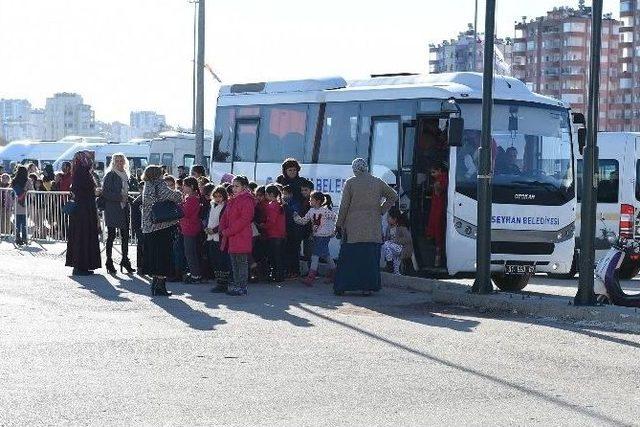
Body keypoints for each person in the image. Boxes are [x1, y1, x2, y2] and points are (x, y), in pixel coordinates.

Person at [334, 158, 397, 295]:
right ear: (366, 167)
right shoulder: (377, 182)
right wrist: (381, 210)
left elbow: (344, 206)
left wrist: (339, 224)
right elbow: (393, 196)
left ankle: (344, 286)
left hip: (353, 228)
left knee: (350, 258)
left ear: (354, 169)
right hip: (372, 228)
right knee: (369, 259)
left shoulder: (350, 183)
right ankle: (367, 288)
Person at [141, 165, 183, 296]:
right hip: (162, 226)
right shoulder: (160, 185)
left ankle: (154, 284)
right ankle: (160, 287)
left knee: (154, 256)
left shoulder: (147, 186)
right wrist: (178, 193)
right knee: (164, 256)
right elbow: (176, 197)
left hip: (149, 227)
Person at [65, 151, 101, 275]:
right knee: (83, 236)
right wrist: (94, 192)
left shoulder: (80, 171)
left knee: (83, 236)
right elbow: (82, 190)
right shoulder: (82, 172)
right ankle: (80, 266)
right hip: (83, 210)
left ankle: (82, 266)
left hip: (83, 209)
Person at [219, 175, 255, 296]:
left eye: (237, 186)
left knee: (241, 263)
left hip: (241, 236)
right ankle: (237, 285)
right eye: (233, 186)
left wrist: (228, 231)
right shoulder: (233, 199)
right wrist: (222, 228)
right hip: (232, 236)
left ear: (244, 187)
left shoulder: (247, 200)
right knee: (234, 263)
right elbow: (225, 215)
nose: (234, 188)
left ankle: (242, 287)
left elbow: (245, 219)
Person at [101, 154, 135, 275]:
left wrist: (130, 199)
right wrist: (121, 198)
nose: (120, 163)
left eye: (121, 161)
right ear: (113, 162)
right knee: (111, 235)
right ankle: (109, 261)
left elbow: (125, 192)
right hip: (113, 208)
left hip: (123, 208)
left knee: (125, 235)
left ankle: (125, 260)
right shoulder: (110, 175)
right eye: (117, 161)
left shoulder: (125, 175)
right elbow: (106, 193)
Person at [294, 191, 337, 285]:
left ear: (317, 201)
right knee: (326, 255)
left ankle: (311, 277)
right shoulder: (311, 211)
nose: (310, 201)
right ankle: (335, 274)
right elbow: (304, 221)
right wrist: (296, 217)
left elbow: (335, 219)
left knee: (315, 256)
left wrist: (333, 231)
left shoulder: (325, 211)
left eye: (311, 199)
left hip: (324, 236)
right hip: (317, 236)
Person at [205, 186, 231, 292]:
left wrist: (215, 230)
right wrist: (206, 227)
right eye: (215, 196)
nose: (217, 199)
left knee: (222, 260)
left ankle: (223, 283)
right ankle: (218, 281)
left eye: (220, 196)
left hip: (220, 237)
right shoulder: (211, 205)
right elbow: (208, 218)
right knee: (214, 260)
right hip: (210, 236)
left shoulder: (225, 207)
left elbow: (224, 222)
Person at [425, 162, 448, 267]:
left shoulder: (442, 179)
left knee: (438, 232)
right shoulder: (440, 179)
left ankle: (437, 260)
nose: (432, 175)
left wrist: (435, 186)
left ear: (439, 170)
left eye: (434, 172)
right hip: (437, 208)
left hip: (439, 209)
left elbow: (438, 192)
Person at [261, 184, 286, 282]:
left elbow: (271, 221)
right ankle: (280, 275)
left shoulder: (272, 206)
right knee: (279, 257)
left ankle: (277, 275)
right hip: (281, 234)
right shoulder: (280, 205)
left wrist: (263, 225)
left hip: (274, 235)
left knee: (274, 257)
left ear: (270, 194)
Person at [180, 176, 203, 283]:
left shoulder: (192, 199)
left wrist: (179, 206)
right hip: (191, 227)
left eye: (185, 185)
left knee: (190, 252)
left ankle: (195, 274)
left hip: (190, 228)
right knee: (192, 251)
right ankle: (195, 272)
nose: (183, 187)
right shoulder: (193, 198)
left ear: (192, 187)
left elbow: (185, 213)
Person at [382, 207, 413, 275]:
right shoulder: (389, 228)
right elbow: (387, 239)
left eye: (389, 217)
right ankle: (394, 271)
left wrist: (395, 241)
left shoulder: (401, 227)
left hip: (402, 248)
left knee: (386, 244)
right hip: (393, 249)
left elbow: (408, 239)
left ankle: (389, 263)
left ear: (395, 219)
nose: (387, 219)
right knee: (396, 271)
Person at [11, 165, 33, 246]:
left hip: (16, 203)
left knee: (17, 222)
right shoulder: (28, 180)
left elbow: (13, 192)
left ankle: (17, 237)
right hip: (25, 203)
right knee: (24, 222)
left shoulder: (14, 181)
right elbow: (32, 192)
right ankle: (24, 238)